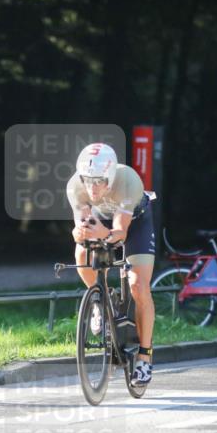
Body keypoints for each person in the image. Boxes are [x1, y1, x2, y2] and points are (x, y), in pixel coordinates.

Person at [67, 143, 156, 387]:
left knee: (139, 286)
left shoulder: (128, 180)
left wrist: (104, 234)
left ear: (111, 178)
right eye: (88, 180)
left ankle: (144, 357)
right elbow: (83, 225)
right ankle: (100, 302)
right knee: (81, 255)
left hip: (134, 223)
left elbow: (120, 232)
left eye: (99, 181)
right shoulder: (76, 186)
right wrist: (80, 232)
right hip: (103, 219)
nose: (92, 188)